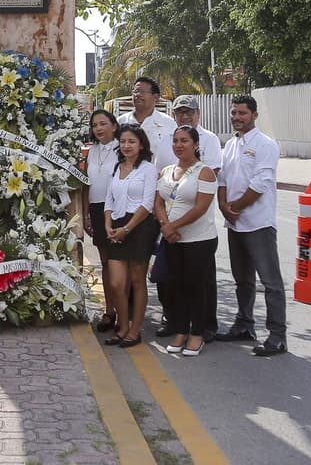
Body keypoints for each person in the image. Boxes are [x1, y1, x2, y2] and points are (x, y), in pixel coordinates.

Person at [216, 95, 287, 356]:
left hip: (258, 224)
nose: (237, 117)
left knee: (271, 283)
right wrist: (224, 206)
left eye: (242, 113)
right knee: (242, 280)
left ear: (254, 115)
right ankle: (244, 325)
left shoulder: (266, 144)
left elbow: (261, 182)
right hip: (235, 225)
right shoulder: (231, 145)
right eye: (234, 113)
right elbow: (221, 179)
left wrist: (235, 207)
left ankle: (278, 336)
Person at [157, 95, 223, 336]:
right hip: (169, 221)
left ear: (198, 114)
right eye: (179, 112)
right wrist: (166, 224)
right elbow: (161, 177)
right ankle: (175, 321)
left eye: (189, 112)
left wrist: (173, 224)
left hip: (196, 224)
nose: (184, 116)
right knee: (172, 278)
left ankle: (205, 327)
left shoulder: (210, 140)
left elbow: (211, 175)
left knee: (201, 280)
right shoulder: (167, 139)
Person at [102, 124, 159, 348]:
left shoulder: (148, 169)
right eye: (123, 141)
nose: (126, 145)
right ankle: (123, 326)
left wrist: (127, 229)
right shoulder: (118, 167)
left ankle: (134, 331)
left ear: (141, 144)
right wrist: (108, 225)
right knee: (117, 283)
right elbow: (109, 199)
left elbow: (147, 204)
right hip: (116, 226)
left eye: (132, 141)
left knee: (137, 281)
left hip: (139, 228)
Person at [81, 109, 120, 332]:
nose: (98, 129)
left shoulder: (123, 147)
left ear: (114, 126)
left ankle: (127, 312)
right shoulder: (91, 152)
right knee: (106, 263)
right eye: (95, 125)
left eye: (103, 124)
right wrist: (86, 214)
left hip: (119, 211)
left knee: (122, 264)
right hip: (97, 209)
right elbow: (87, 185)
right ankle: (110, 311)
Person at [116, 77, 178, 171]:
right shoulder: (120, 122)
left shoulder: (169, 124)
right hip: (127, 179)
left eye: (143, 92)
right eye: (135, 91)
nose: (138, 95)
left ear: (156, 97)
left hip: (159, 180)